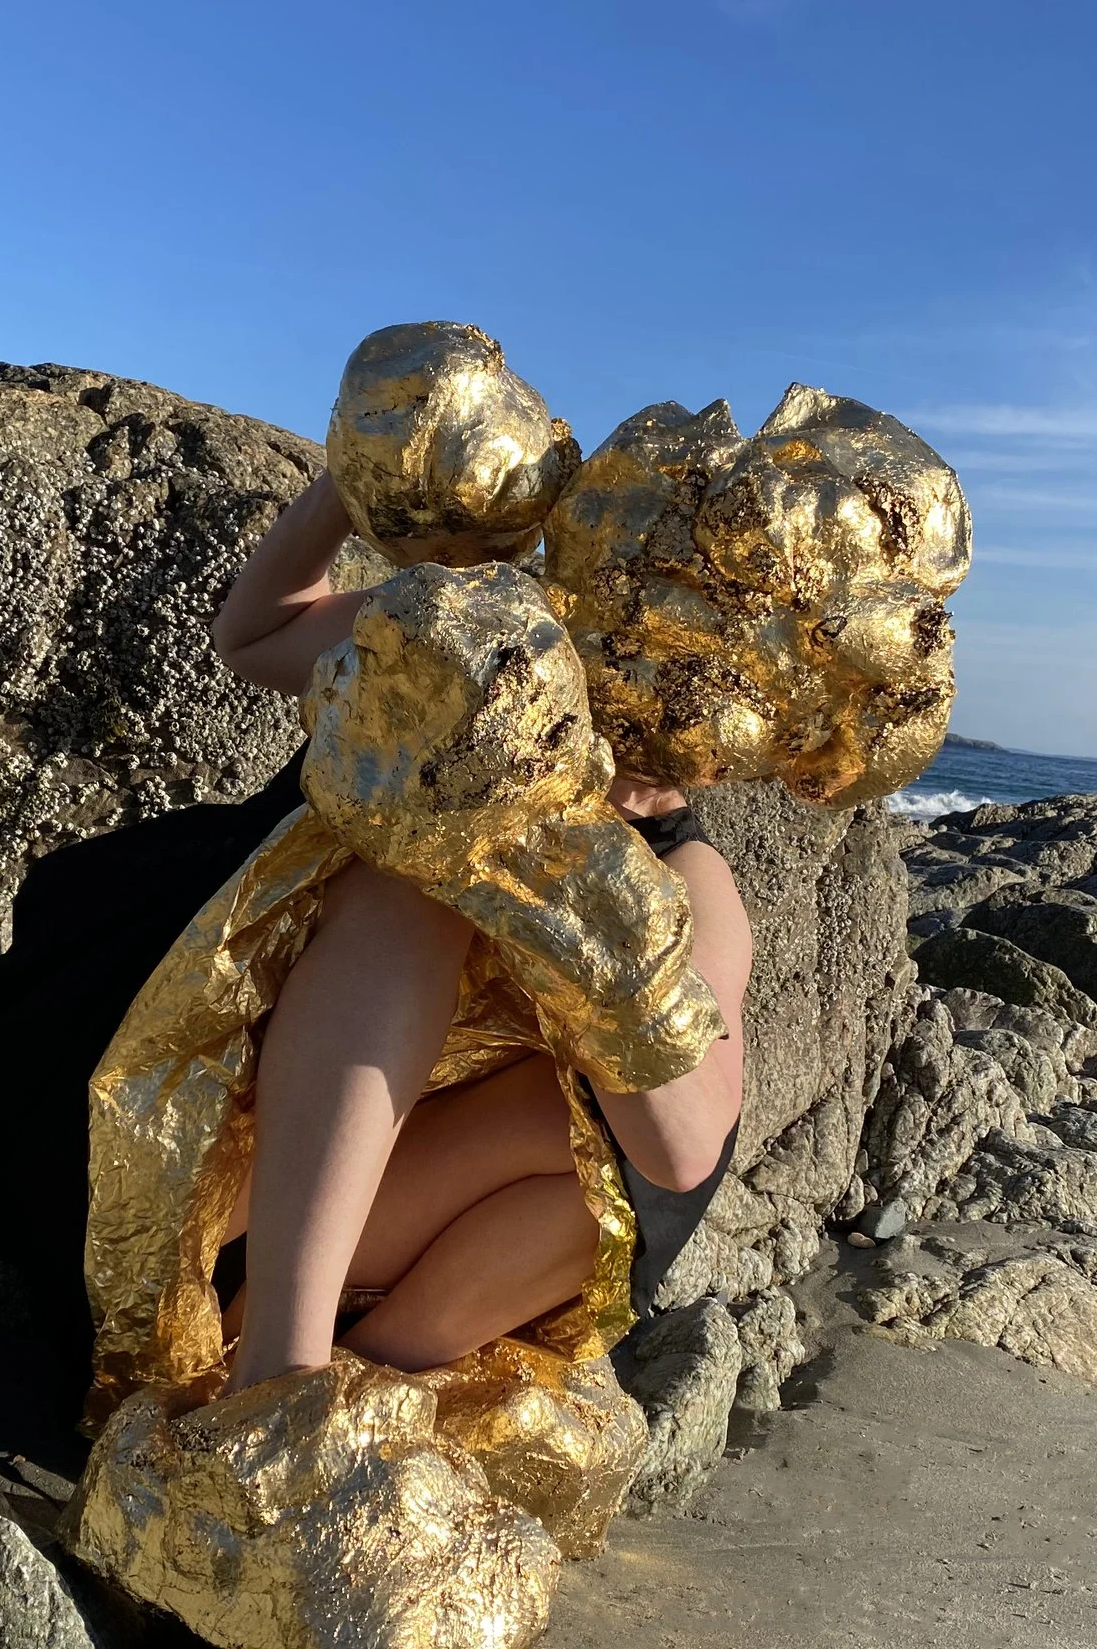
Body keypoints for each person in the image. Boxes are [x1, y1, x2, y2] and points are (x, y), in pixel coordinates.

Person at [207, 474, 754, 1392]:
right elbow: (253, 636)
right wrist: (362, 470)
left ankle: (363, 1375)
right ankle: (279, 1373)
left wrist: (584, 868)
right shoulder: (480, 651)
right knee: (420, 880)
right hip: (203, 1168)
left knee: (617, 1150)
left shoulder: (689, 877)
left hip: (374, 1258)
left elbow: (685, 1151)